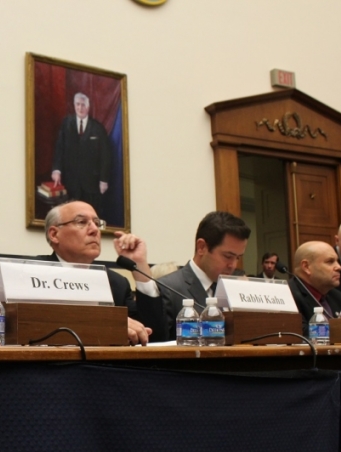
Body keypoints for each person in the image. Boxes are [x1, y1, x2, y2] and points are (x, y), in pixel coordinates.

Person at [39, 201, 156, 345]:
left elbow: (153, 335)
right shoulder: (34, 274)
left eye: (97, 223)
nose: (94, 230)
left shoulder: (116, 283)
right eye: (81, 222)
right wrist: (105, 324)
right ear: (54, 234)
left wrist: (140, 265)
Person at [138, 211, 251, 341]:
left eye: (238, 257)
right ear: (201, 247)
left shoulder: (235, 289)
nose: (233, 265)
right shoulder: (167, 289)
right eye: (228, 256)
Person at [51, 92, 112, 214]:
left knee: (91, 217)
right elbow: (59, 148)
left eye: (83, 105)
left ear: (88, 107)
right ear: (74, 105)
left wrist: (103, 180)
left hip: (92, 185)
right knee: (72, 217)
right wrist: (56, 170)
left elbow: (106, 156)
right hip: (70, 183)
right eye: (77, 104)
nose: (80, 108)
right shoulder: (66, 123)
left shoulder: (98, 128)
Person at [288, 241, 341, 336]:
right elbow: (303, 335)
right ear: (306, 267)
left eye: (337, 261)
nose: (339, 267)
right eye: (330, 262)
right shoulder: (288, 296)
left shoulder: (338, 297)